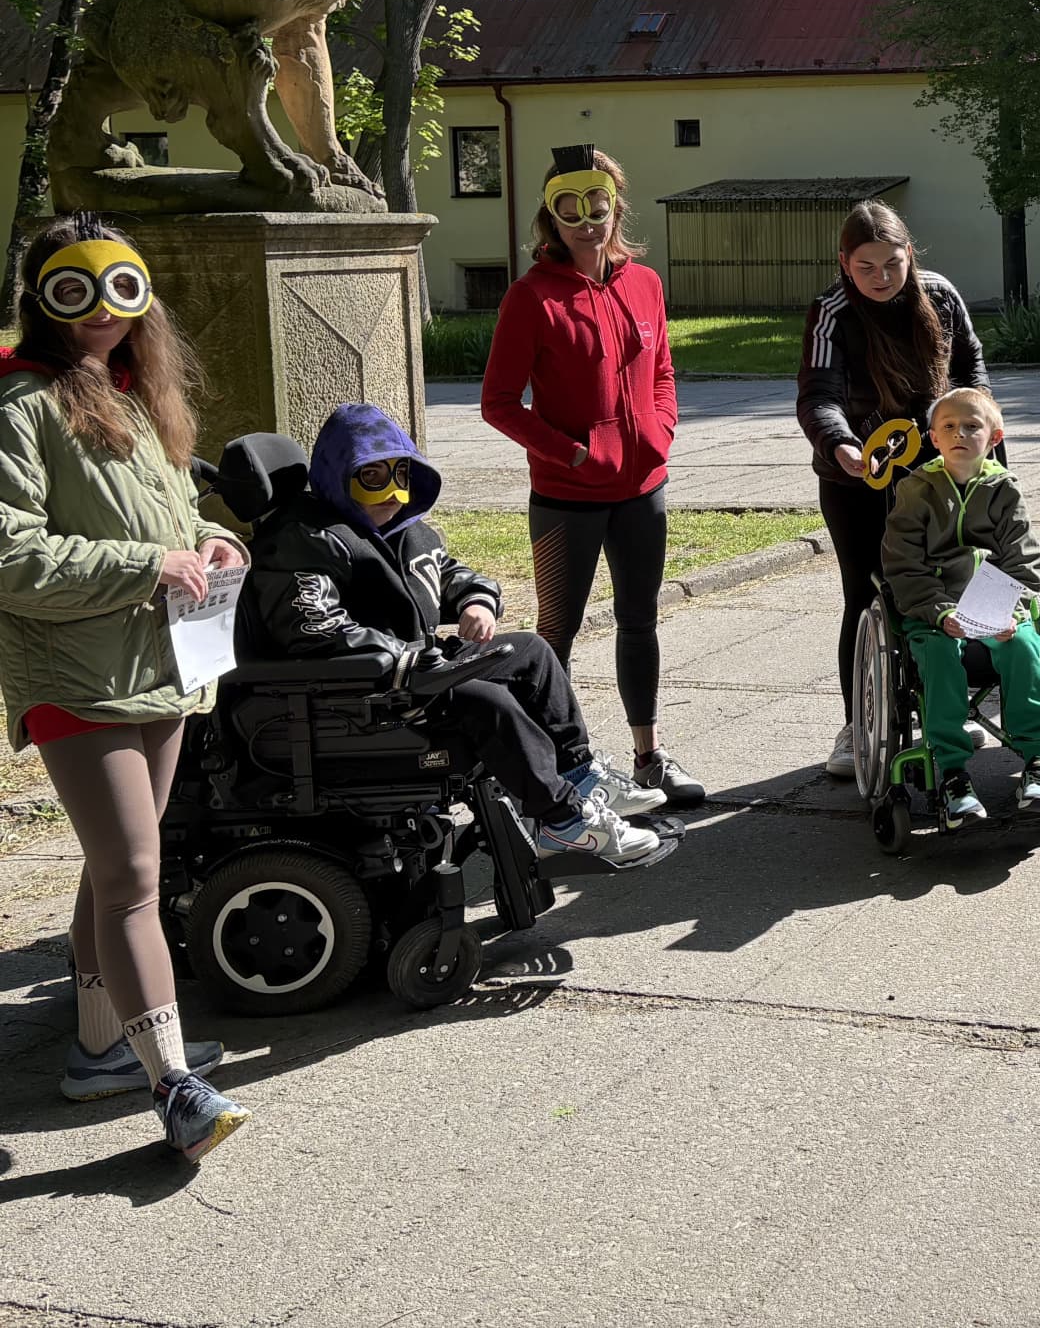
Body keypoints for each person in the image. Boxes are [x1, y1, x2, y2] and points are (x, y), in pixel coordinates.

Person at [0, 217, 247, 1158]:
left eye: (122, 288)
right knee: (135, 877)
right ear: (43, 295)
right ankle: (175, 1086)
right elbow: (10, 554)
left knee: (115, 866)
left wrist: (214, 543)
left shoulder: (137, 394)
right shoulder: (21, 404)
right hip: (74, 675)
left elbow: (172, 518)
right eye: (77, 289)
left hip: (157, 665)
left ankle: (102, 1049)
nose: (103, 309)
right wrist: (148, 566)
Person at [241, 404, 667, 860]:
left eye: (401, 474)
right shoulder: (304, 539)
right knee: (487, 701)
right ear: (338, 475)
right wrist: (404, 659)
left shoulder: (397, 527)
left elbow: (445, 573)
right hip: (365, 692)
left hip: (414, 671)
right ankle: (561, 821)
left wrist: (476, 599)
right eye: (373, 476)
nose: (393, 491)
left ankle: (579, 774)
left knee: (530, 652)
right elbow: (312, 628)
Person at [480, 145, 700, 809]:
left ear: (615, 207)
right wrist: (570, 454)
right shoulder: (531, 297)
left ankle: (649, 759)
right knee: (555, 635)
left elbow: (662, 371)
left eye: (597, 208)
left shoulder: (645, 283)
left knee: (640, 621)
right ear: (551, 216)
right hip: (565, 499)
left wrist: (661, 430)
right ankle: (560, 778)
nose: (586, 223)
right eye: (570, 211)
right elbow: (499, 403)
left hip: (642, 490)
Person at [797, 200, 989, 778]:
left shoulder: (941, 296)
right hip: (859, 480)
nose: (882, 277)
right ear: (844, 263)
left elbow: (971, 370)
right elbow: (818, 394)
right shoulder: (831, 311)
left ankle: (946, 709)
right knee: (866, 593)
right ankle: (857, 725)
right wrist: (840, 445)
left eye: (893, 264)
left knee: (950, 583)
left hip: (939, 472)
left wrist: (980, 431)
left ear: (910, 254)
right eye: (866, 267)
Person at [881, 387, 1040, 829]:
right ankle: (953, 771)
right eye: (949, 426)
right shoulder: (916, 490)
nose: (960, 433)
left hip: (997, 607)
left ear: (994, 437)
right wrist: (941, 612)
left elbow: (1023, 561)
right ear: (934, 438)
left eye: (972, 426)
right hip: (934, 612)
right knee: (940, 654)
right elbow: (904, 566)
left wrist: (1008, 611)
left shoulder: (1005, 490)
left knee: (1023, 646)